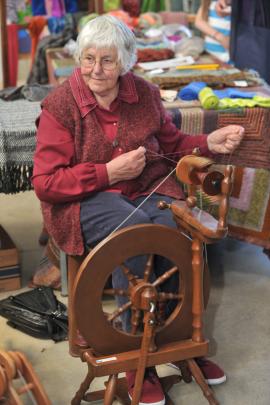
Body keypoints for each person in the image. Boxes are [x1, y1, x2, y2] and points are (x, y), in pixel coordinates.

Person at [32, 15, 244, 405]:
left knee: (177, 234)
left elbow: (173, 144)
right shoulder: (61, 106)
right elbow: (46, 183)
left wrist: (209, 141)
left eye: (108, 60)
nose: (97, 69)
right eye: (89, 58)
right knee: (137, 236)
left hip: (144, 191)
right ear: (79, 59)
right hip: (82, 202)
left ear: (126, 61)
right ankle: (135, 359)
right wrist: (107, 172)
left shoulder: (143, 94)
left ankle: (180, 344)